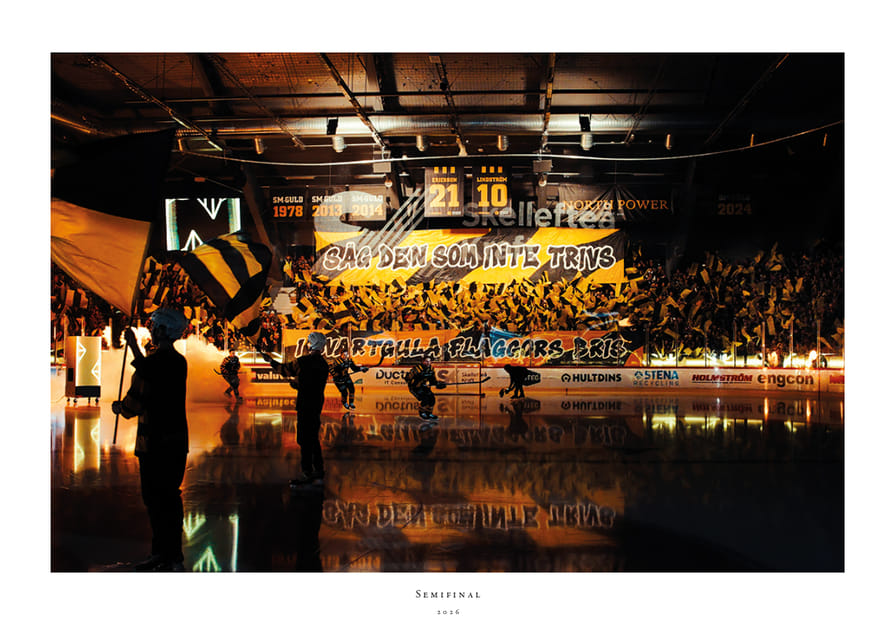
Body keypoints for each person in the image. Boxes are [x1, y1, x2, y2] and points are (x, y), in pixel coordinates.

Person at [111, 308, 190, 572]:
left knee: (158, 502)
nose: (152, 331)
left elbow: (143, 383)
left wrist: (120, 408)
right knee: (166, 500)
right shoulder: (176, 362)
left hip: (156, 446)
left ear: (164, 330)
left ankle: (166, 555)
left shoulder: (162, 363)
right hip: (174, 445)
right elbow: (149, 370)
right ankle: (167, 555)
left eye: (155, 327)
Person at [260, 331, 329, 488]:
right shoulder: (324, 365)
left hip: (305, 404)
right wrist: (298, 383)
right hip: (317, 404)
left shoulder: (303, 361)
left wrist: (270, 360)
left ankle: (307, 473)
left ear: (311, 344)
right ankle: (319, 470)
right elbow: (314, 384)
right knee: (313, 437)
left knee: (304, 439)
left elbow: (285, 370)